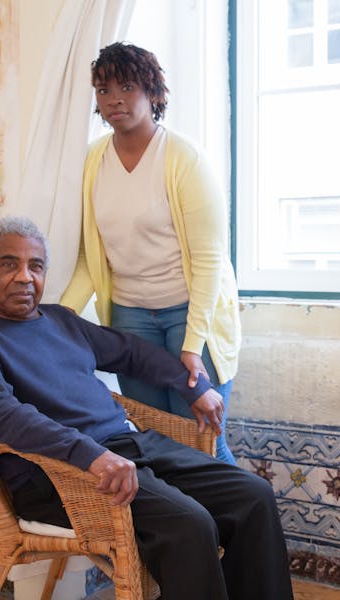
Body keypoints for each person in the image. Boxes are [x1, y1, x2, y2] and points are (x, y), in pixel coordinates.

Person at [0, 216, 293, 600]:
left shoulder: (60, 320)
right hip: (60, 475)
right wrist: (89, 454)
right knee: (191, 524)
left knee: (252, 496)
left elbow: (128, 352)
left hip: (126, 448)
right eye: (9, 264)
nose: (25, 277)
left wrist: (192, 385)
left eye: (36, 266)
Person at [60, 42, 240, 464]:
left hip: (190, 316)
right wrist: (57, 319)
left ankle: (237, 530)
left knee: (203, 443)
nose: (114, 99)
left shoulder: (184, 159)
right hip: (130, 319)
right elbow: (92, 257)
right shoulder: (91, 162)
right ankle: (192, 532)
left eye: (127, 86)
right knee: (158, 443)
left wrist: (193, 345)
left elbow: (211, 261)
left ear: (153, 91)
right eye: (103, 90)